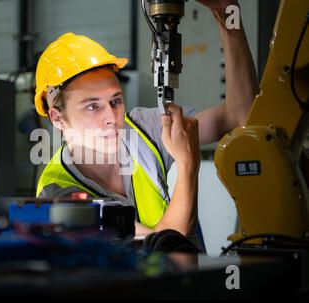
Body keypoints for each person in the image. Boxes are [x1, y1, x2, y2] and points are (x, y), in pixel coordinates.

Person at [34, 0, 259, 237]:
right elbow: (166, 240)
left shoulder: (143, 128)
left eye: (116, 100)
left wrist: (226, 15)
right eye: (92, 106)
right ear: (57, 118)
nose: (112, 117)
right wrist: (187, 164)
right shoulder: (58, 193)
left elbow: (239, 115)